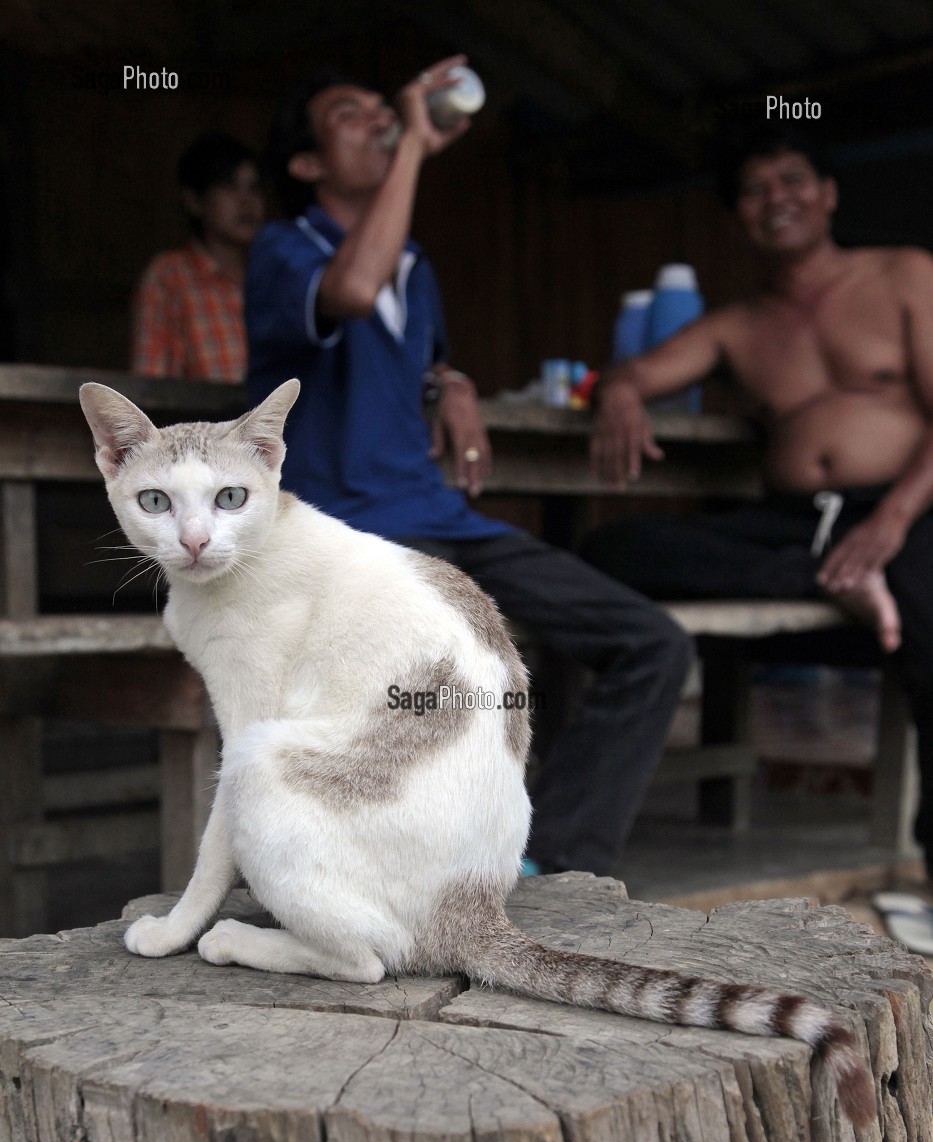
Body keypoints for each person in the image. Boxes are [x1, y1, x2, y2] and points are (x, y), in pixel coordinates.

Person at [245, 59, 693, 877]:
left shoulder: (412, 268)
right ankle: (378, 873)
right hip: (344, 535)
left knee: (652, 643)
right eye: (351, 111)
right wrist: (417, 138)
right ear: (306, 165)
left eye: (385, 106)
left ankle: (554, 860)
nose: (379, 116)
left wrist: (450, 382)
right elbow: (347, 289)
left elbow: (410, 358)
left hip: (440, 520)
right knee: (447, 684)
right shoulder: (283, 250)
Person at [583, 124, 933, 877]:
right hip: (796, 529)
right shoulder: (736, 326)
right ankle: (835, 581)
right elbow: (635, 374)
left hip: (908, 504)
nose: (776, 199)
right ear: (737, 215)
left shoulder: (904, 274)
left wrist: (890, 522)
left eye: (792, 180)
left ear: (828, 193)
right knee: (612, 551)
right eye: (754, 189)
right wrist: (615, 392)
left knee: (929, 618)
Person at [132, 132, 265, 382]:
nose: (246, 201)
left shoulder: (275, 273)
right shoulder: (171, 275)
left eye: (254, 188)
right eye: (229, 187)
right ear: (193, 201)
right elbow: (150, 385)